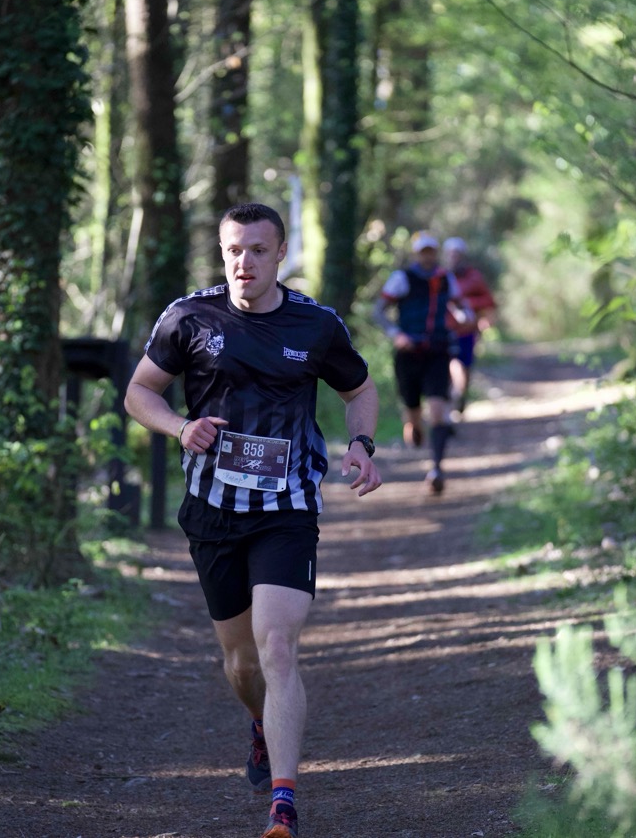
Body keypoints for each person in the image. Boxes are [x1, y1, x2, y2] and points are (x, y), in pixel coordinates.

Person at [125, 202, 382, 838]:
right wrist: (181, 427)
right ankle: (261, 726)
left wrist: (361, 444)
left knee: (277, 645)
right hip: (211, 510)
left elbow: (360, 390)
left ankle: (283, 804)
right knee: (242, 663)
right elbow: (139, 392)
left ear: (280, 254)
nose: (245, 262)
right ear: (222, 253)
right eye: (234, 250)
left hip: (286, 507)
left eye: (258, 250)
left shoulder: (315, 324)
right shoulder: (189, 317)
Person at [373, 231, 473, 494]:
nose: (428, 255)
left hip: (437, 352)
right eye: (423, 251)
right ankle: (414, 426)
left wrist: (464, 315)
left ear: (436, 252)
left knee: (438, 410)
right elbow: (379, 310)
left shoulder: (445, 278)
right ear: (416, 253)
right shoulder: (402, 278)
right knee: (413, 414)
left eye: (431, 250)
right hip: (408, 354)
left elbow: (461, 305)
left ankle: (437, 468)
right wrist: (396, 335)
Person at [442, 237, 498, 418]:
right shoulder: (440, 276)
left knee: (465, 366)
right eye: (450, 254)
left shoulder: (474, 277)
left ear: (463, 256)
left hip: (467, 331)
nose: (454, 258)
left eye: (457, 254)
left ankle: (460, 398)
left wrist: (472, 307)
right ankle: (449, 401)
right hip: (444, 331)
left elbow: (488, 301)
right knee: (451, 364)